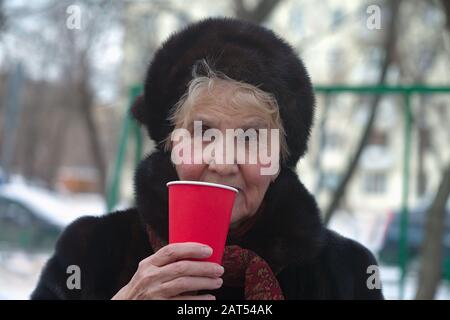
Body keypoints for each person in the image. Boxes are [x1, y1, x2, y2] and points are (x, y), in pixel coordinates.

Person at [31, 17, 384, 300]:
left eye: (250, 138)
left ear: (279, 159)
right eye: (204, 133)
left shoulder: (345, 274)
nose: (223, 163)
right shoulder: (91, 253)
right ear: (171, 144)